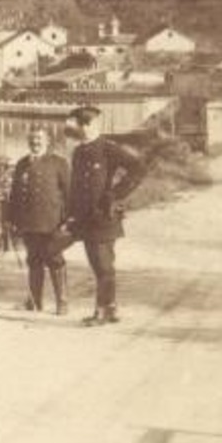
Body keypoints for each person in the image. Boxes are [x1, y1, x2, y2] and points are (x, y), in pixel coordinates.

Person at [65, 105, 146, 326]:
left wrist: (116, 194)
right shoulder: (79, 151)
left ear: (87, 125)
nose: (71, 128)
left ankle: (102, 310)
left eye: (75, 124)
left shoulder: (108, 148)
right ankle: (109, 308)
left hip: (103, 216)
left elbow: (138, 168)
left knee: (104, 265)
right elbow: (76, 187)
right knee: (98, 264)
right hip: (85, 219)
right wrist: (71, 215)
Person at [4, 127, 72, 315]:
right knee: (33, 260)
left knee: (55, 259)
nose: (36, 142)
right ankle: (35, 301)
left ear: (48, 141)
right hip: (28, 222)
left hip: (52, 223)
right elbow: (15, 195)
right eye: (32, 139)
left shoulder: (59, 163)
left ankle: (62, 302)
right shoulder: (21, 164)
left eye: (39, 139)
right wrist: (11, 218)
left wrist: (68, 220)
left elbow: (69, 194)